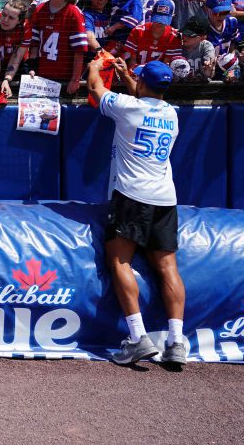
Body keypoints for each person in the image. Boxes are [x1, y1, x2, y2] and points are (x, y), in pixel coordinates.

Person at [85, 57, 187, 366]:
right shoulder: (171, 113)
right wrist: (129, 77)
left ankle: (137, 337)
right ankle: (175, 341)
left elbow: (95, 87)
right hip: (165, 198)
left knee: (118, 260)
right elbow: (146, 100)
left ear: (143, 84)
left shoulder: (127, 107)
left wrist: (95, 64)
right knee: (167, 267)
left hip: (132, 196)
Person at [0, 0, 88, 97]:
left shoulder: (74, 13)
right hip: (42, 75)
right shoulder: (40, 10)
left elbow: (79, 51)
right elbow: (34, 44)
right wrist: (33, 67)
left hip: (65, 77)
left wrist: (75, 79)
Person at [121, 0, 182, 67]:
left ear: (172, 16)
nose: (159, 22)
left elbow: (166, 64)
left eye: (163, 19)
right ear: (151, 13)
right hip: (137, 71)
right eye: (158, 18)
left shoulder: (174, 37)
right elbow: (132, 60)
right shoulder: (138, 31)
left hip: (159, 73)